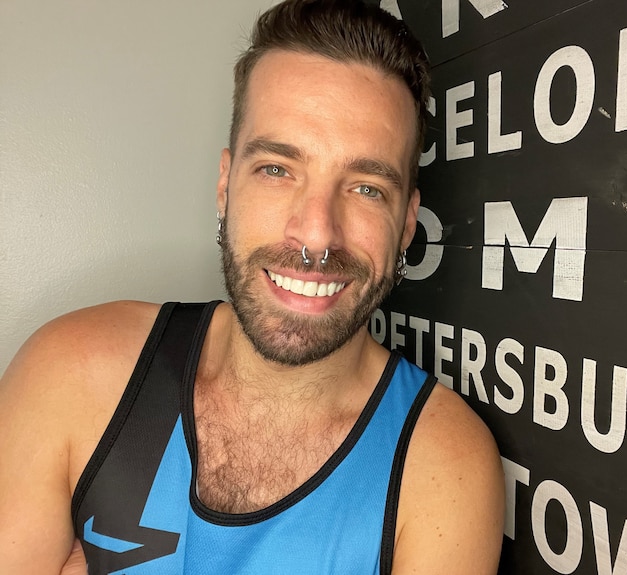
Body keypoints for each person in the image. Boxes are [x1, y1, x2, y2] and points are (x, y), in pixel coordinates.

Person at [0, 1, 505, 573]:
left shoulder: (442, 467)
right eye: (276, 169)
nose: (316, 234)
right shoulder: (69, 371)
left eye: (366, 188)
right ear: (225, 186)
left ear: (408, 221)